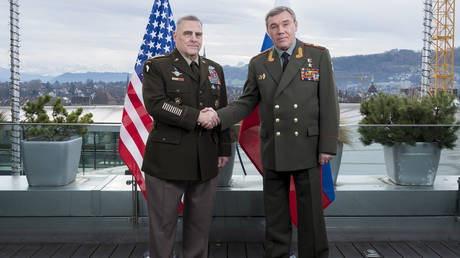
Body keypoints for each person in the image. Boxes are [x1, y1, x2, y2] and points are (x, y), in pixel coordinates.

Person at [200, 6, 339, 258]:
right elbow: (246, 103)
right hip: (274, 148)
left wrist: (327, 146)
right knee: (276, 215)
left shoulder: (317, 56)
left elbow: (329, 103)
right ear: (268, 31)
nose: (280, 30)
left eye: (285, 24)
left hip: (308, 148)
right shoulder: (259, 63)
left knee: (311, 217)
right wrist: (217, 116)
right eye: (274, 27)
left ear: (295, 25)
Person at [141, 15, 231, 258]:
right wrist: (195, 117)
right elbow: (156, 105)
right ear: (175, 36)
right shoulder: (157, 66)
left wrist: (224, 149)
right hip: (167, 161)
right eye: (187, 34)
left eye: (198, 34)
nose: (193, 39)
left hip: (205, 159)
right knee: (163, 228)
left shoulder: (214, 69)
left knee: (199, 227)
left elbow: (221, 109)